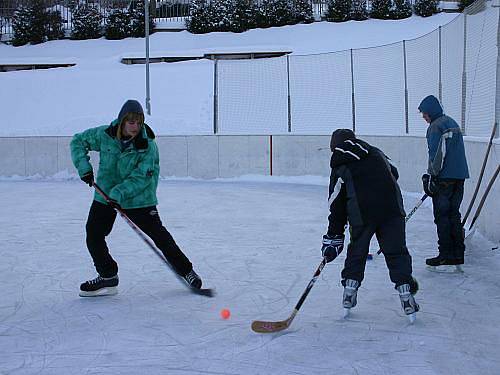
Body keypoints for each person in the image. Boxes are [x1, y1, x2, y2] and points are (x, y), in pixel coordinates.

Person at [71, 99, 203, 296]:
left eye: (138, 122)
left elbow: (142, 177)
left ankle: (187, 271)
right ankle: (108, 276)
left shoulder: (147, 145)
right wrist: (84, 168)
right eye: (131, 122)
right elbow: (77, 141)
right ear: (122, 120)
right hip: (105, 194)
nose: (135, 127)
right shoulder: (104, 135)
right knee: (94, 234)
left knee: (160, 236)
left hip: (139, 198)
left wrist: (118, 193)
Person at [321, 129, 419, 319]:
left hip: (362, 214)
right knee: (396, 251)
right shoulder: (376, 152)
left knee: (357, 251)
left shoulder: (340, 165)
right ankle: (406, 294)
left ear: (334, 147)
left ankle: (349, 293)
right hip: (392, 209)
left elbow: (337, 204)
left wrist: (334, 236)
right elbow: (394, 173)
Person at [418, 95, 469, 268]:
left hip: (444, 179)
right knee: (454, 215)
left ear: (431, 112)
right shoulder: (452, 122)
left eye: (424, 114)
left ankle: (446, 254)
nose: (424, 117)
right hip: (459, 176)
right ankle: (458, 254)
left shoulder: (435, 127)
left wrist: (431, 176)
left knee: (442, 217)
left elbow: (438, 154)